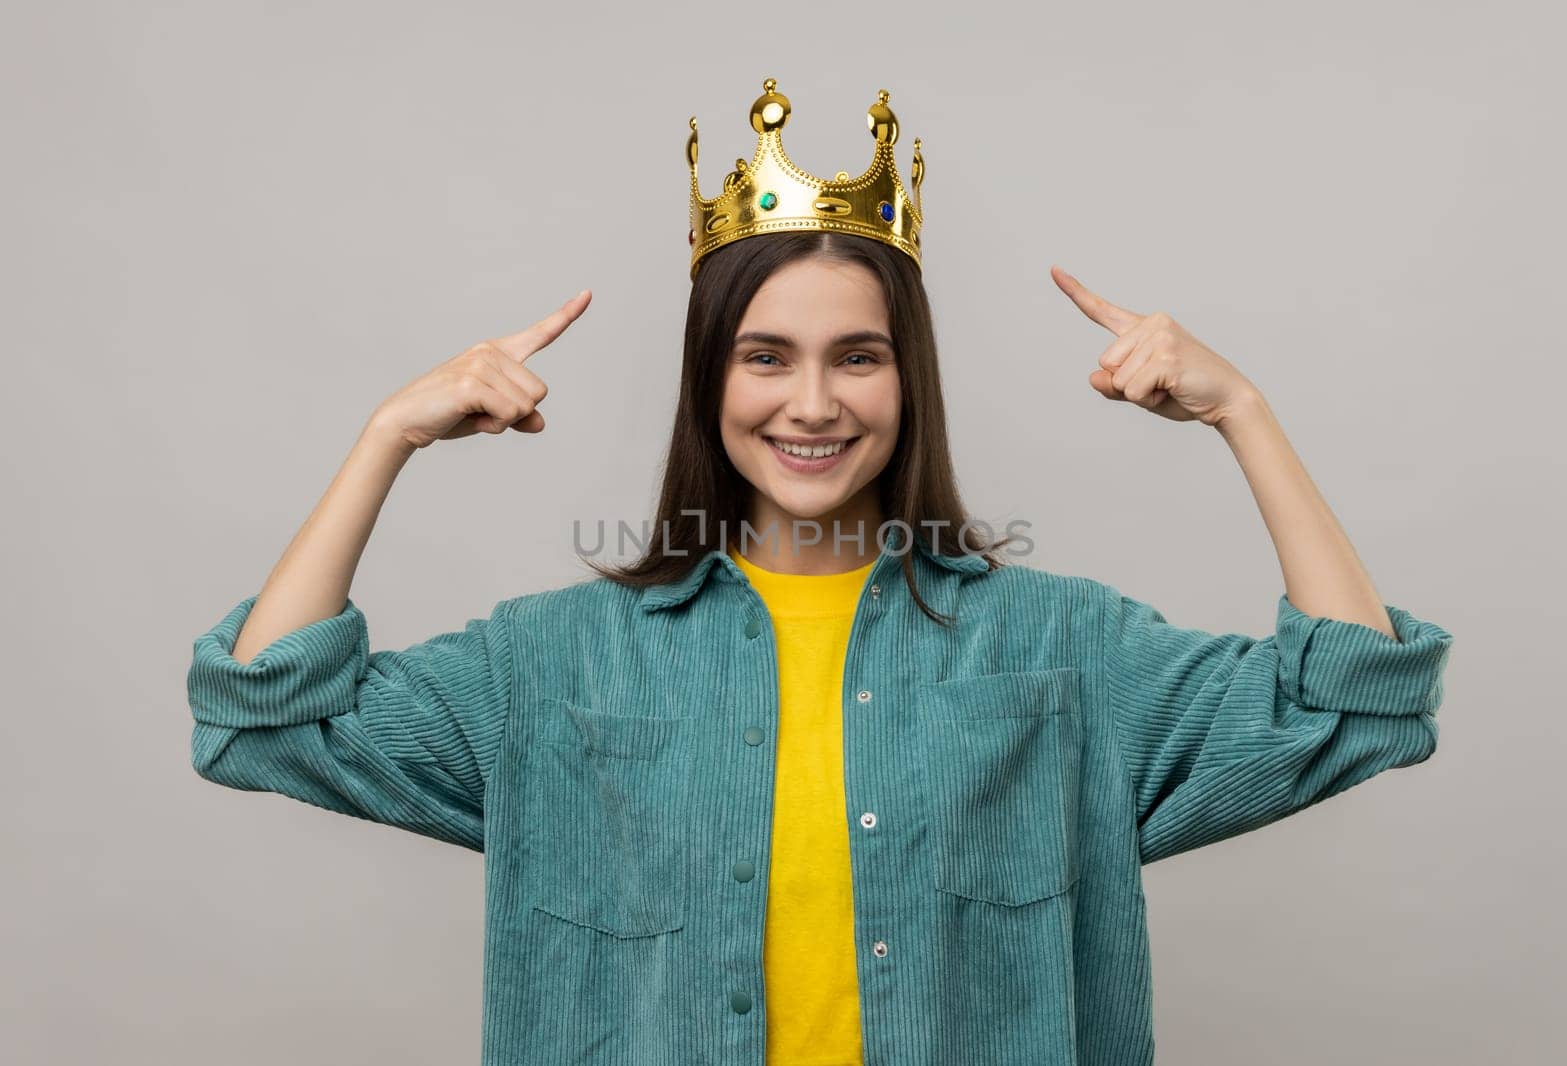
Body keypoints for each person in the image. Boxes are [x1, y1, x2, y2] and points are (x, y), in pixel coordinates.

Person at [186, 78, 1455, 1066]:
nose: (811, 402)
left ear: (908, 384)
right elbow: (262, 718)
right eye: (764, 357)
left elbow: (1356, 706)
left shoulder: (1062, 654)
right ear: (709, 384)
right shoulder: (554, 663)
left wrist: (1245, 410)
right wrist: (385, 438)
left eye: (857, 356)